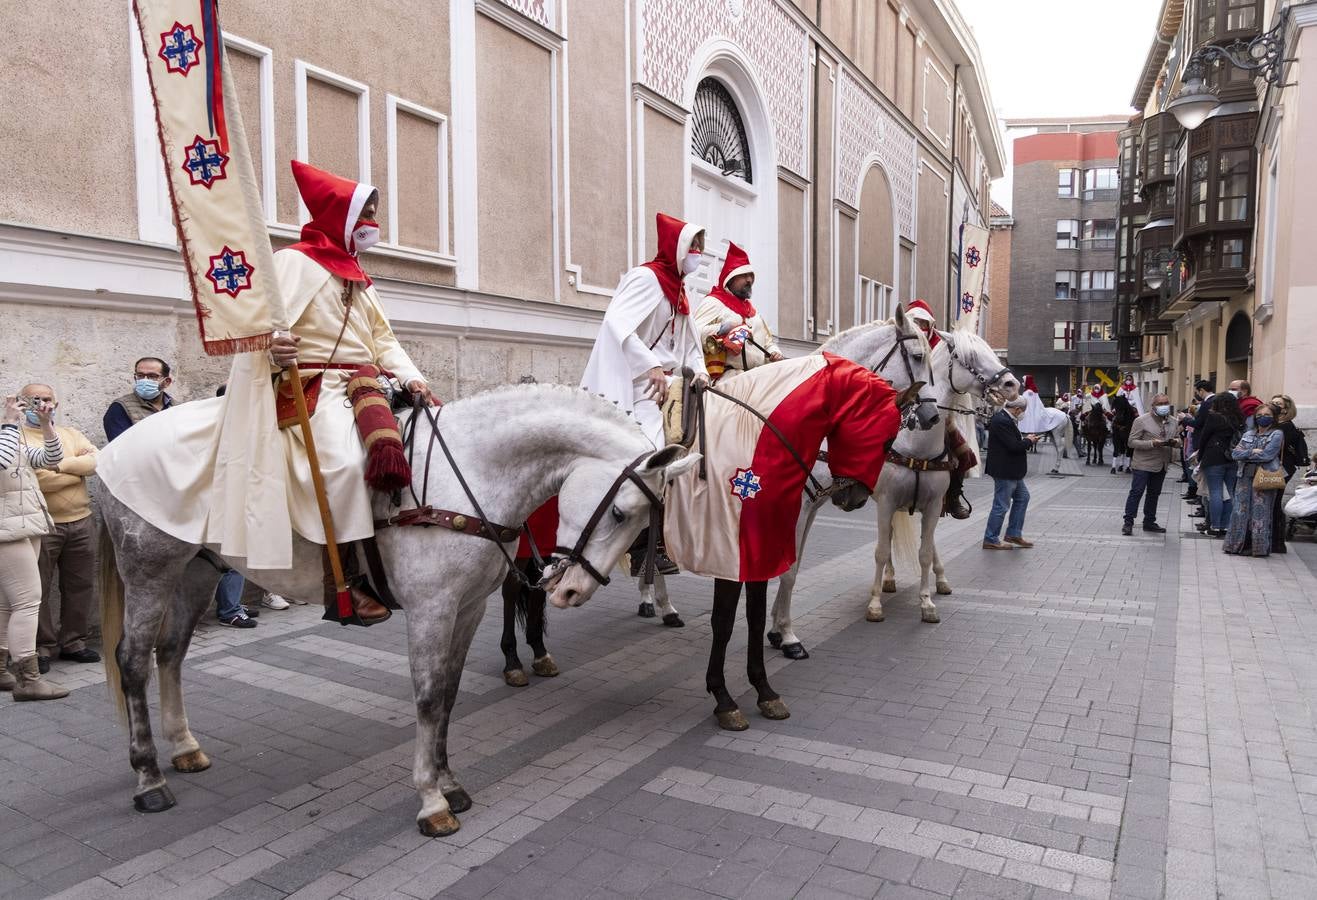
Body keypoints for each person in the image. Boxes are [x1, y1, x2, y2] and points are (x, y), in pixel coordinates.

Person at [97, 161, 436, 627]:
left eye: (373, 215)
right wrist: (274, 348)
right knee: (342, 464)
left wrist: (411, 375)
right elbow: (260, 330)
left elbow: (384, 340)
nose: (371, 226)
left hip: (363, 385)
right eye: (365, 215)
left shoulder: (357, 273)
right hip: (312, 387)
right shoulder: (294, 262)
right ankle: (347, 581)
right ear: (339, 217)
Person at [580, 212, 710, 575]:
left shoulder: (680, 290)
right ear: (677, 246)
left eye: (700, 245)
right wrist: (650, 364)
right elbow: (617, 322)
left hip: (673, 385)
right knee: (654, 455)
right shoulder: (647, 278)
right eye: (694, 245)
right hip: (642, 385)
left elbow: (690, 345)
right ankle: (643, 545)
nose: (699, 251)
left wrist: (699, 371)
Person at [18, 384, 100, 671]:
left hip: (80, 521)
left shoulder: (70, 434)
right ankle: (43, 646)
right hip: (41, 526)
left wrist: (57, 466)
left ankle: (74, 642)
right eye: (33, 399)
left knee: (80, 585)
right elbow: (35, 481)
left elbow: (95, 462)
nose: (41, 404)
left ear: (57, 402)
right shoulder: (16, 437)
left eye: (46, 398)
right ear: (21, 403)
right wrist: (73, 471)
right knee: (37, 589)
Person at [0, 393, 69, 700]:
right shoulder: (8, 433)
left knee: (7, 605)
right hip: (6, 532)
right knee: (28, 601)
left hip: (28, 526)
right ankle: (28, 680)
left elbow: (51, 460)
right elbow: (0, 463)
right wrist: (10, 422)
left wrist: (46, 424)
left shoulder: (12, 437)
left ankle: (1, 671)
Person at [904, 299, 975, 519]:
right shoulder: (902, 343)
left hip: (938, 414)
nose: (920, 327)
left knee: (964, 455)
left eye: (923, 322)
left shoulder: (942, 346)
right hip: (901, 409)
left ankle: (953, 497)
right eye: (915, 322)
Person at [694, 242, 784, 383]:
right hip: (728, 379)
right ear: (730, 279)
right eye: (743, 275)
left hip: (757, 377)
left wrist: (775, 352)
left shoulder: (753, 313)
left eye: (751, 276)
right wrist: (722, 328)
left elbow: (768, 343)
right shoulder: (714, 302)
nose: (749, 280)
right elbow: (693, 334)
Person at [1224, 402, 1285, 557]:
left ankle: (1257, 547)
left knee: (1260, 512)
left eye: (1267, 415)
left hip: (1264, 477)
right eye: (1259, 415)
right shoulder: (1248, 434)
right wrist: (1253, 451)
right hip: (1244, 476)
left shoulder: (1276, 434)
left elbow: (1268, 455)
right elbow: (1235, 454)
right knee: (1239, 510)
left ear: (1274, 418)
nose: (1262, 418)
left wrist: (1247, 453)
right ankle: (1236, 545)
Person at [983, 398, 1038, 550]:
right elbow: (1013, 446)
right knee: (1001, 505)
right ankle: (990, 539)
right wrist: (1029, 441)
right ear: (1018, 409)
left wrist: (1027, 440)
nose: (1023, 415)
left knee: (1023, 497)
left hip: (1011, 470)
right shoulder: (1002, 420)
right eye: (1023, 412)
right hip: (1005, 470)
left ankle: (1014, 533)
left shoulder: (1005, 418)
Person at [1121, 394, 1177, 536]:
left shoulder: (1173, 421)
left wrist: (1177, 442)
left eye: (1166, 402)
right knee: (1137, 492)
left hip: (1161, 464)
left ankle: (1149, 521)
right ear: (1153, 406)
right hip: (1143, 464)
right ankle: (1128, 522)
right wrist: (1151, 443)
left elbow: (1175, 437)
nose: (1164, 406)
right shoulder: (1141, 420)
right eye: (1160, 403)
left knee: (1154, 494)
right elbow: (1131, 442)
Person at [1195, 392, 1245, 537]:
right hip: (1232, 458)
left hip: (1214, 457)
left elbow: (1204, 436)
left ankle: (1214, 526)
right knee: (1229, 492)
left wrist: (1200, 456)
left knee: (1215, 493)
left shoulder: (1214, 417)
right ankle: (1226, 526)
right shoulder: (1239, 418)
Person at [1269, 394, 1310, 554]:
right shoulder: (1278, 424)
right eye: (1273, 403)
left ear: (1286, 409)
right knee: (1274, 502)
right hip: (1281, 467)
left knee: (1274, 502)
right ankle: (1276, 541)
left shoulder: (1285, 427)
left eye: (1278, 404)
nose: (1274, 406)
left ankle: (1277, 541)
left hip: (1281, 468)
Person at [103, 357, 174, 442]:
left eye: (152, 376)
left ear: (167, 382)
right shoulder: (120, 408)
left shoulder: (178, 408)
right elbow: (121, 448)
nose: (145, 380)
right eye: (140, 376)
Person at [1183, 379, 1216, 500]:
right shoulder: (1215, 400)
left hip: (1203, 442)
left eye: (1197, 391)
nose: (1198, 394)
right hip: (1209, 443)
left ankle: (1202, 502)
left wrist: (1184, 419)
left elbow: (1198, 423)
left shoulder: (1207, 403)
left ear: (1201, 391)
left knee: (1202, 476)